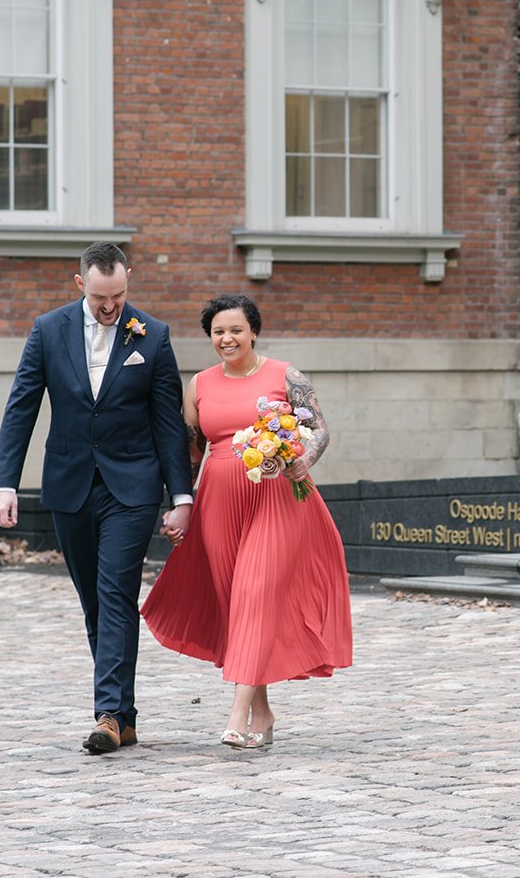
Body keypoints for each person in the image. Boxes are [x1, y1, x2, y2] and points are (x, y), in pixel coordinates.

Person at [0, 242, 193, 755]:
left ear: (128, 281)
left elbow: (168, 423)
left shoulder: (155, 335)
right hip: (70, 483)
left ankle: (105, 713)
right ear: (81, 284)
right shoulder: (48, 329)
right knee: (95, 603)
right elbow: (22, 407)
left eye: (120, 295)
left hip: (133, 486)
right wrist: (5, 483)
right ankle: (124, 716)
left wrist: (182, 495)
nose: (112, 307)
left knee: (117, 593)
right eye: (102, 297)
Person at [141, 293, 352, 748]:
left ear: (253, 331)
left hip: (278, 501)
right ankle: (264, 713)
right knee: (237, 605)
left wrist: (304, 459)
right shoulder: (198, 385)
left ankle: (236, 719)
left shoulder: (284, 374)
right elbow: (192, 451)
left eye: (236, 329)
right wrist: (181, 503)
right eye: (218, 331)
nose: (227, 338)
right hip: (219, 504)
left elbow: (319, 428)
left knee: (256, 593)